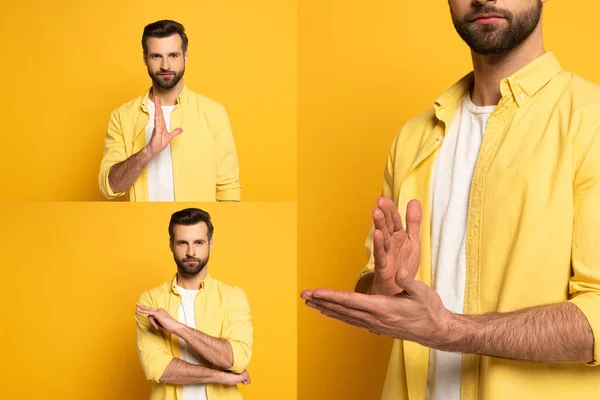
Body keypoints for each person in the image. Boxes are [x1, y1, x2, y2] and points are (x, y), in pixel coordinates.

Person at [301, 0, 600, 399]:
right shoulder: (413, 137)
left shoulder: (591, 121)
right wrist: (385, 289)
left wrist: (450, 329)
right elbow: (377, 288)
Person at [99, 20, 241, 202]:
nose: (165, 66)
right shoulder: (121, 116)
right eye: (156, 56)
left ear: (185, 56)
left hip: (193, 230)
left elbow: (228, 189)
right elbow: (109, 187)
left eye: (173, 55)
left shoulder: (213, 113)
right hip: (141, 226)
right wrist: (147, 152)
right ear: (145, 58)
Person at [136, 208, 252, 400]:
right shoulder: (150, 301)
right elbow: (157, 368)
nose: (191, 252)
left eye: (198, 242)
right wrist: (221, 376)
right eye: (182, 243)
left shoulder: (233, 297)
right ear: (171, 245)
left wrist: (178, 328)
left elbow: (236, 359)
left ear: (210, 243)